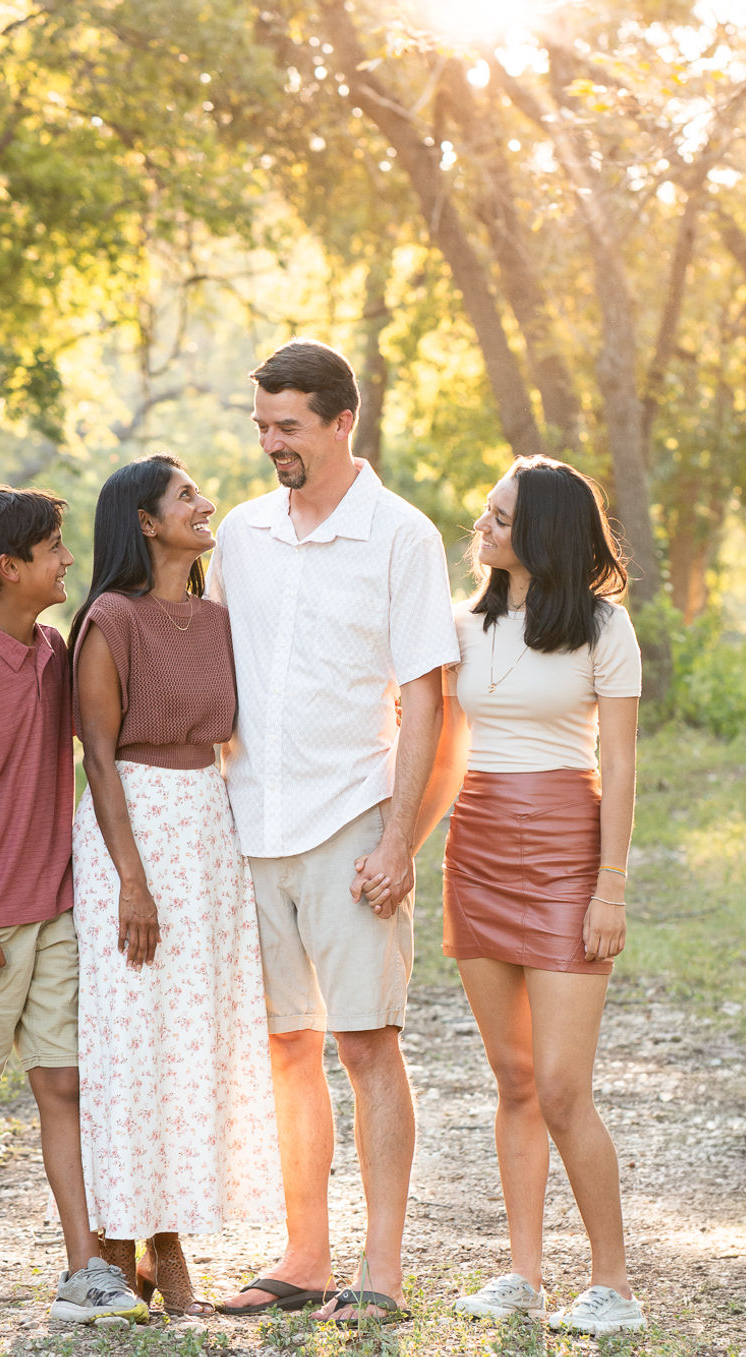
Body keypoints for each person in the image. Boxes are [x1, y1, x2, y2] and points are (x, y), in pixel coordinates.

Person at [208, 340, 460, 1326]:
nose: (272, 444)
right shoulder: (241, 532)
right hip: (252, 826)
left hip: (353, 823)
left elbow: (427, 702)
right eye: (262, 426)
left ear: (342, 420)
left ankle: (380, 1270)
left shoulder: (402, 537)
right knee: (284, 1048)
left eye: (290, 428)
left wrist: (400, 841)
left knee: (366, 1045)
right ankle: (303, 1255)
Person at [375, 455, 645, 1336]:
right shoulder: (458, 626)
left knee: (566, 1087)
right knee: (517, 1079)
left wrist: (611, 887)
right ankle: (524, 1274)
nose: (480, 527)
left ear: (544, 534)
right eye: (485, 511)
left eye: (498, 516)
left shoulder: (606, 630)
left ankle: (611, 1284)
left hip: (570, 853)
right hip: (479, 853)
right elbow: (445, 753)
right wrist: (405, 850)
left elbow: (620, 768)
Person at [0, 485, 149, 1328]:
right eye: (53, 548)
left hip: (52, 914)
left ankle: (83, 1265)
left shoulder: (55, 651)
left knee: (64, 1086)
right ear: (10, 568)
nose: (67, 559)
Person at [67, 454, 283, 1317]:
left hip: (206, 830)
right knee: (129, 1042)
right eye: (186, 497)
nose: (205, 504)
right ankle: (123, 1246)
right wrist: (131, 881)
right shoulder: (109, 620)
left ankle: (165, 1239)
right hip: (136, 834)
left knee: (190, 1044)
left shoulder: (216, 616)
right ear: (146, 523)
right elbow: (98, 755)